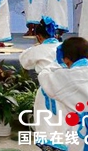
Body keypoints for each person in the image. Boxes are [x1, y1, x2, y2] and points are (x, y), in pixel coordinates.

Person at [38, 37, 88, 151]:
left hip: (77, 128)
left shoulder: (61, 77)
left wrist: (55, 63)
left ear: (65, 60)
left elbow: (44, 76)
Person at [19, 17, 66, 150]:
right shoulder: (65, 47)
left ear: (38, 37)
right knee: (65, 122)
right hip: (67, 90)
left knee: (47, 122)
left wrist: (35, 47)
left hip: (47, 91)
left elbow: (24, 62)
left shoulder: (38, 50)